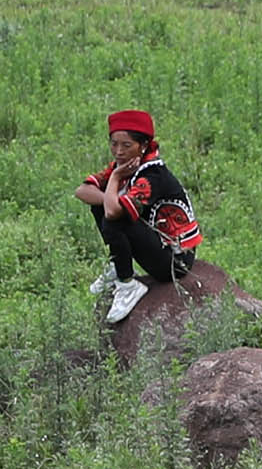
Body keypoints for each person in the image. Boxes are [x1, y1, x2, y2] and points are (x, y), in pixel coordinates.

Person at [81, 109, 203, 325]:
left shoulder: (152, 174)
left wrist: (116, 179)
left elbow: (113, 213)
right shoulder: (127, 164)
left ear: (143, 145)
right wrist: (112, 190)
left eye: (126, 145)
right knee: (101, 206)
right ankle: (117, 265)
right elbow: (82, 191)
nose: (118, 151)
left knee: (114, 219)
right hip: (155, 243)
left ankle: (127, 284)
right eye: (114, 144)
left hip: (175, 261)